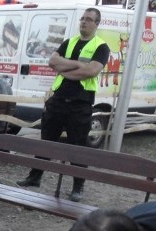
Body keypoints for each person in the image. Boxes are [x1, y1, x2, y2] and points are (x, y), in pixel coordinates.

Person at [16, 7, 109, 203]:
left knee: (78, 148)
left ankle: (78, 187)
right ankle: (35, 177)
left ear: (96, 24)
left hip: (80, 104)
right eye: (82, 19)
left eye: (89, 19)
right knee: (46, 142)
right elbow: (53, 61)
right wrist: (77, 65)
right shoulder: (70, 42)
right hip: (58, 100)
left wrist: (66, 69)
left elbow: (91, 71)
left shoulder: (101, 47)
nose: (83, 22)